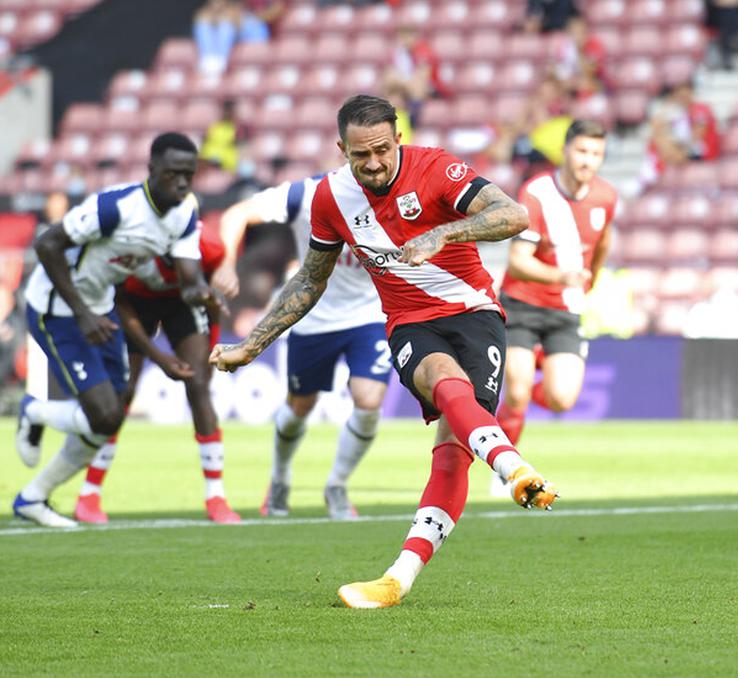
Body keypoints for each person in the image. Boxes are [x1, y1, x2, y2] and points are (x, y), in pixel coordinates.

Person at [209, 95, 558, 609]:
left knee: (452, 457)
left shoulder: (438, 167)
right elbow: (310, 280)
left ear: (398, 138)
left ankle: (399, 577)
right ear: (340, 150)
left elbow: (515, 214)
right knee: (439, 374)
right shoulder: (330, 199)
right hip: (408, 322)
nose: (373, 164)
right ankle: (510, 465)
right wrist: (251, 344)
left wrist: (445, 232)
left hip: (476, 313)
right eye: (359, 155)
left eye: (381, 151)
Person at [13, 132, 215, 528]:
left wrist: (206, 293)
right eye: (173, 173)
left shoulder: (184, 214)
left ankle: (33, 498)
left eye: (188, 175)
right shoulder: (114, 207)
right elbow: (48, 244)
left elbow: (188, 280)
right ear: (152, 169)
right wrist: (82, 314)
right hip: (58, 308)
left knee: (111, 416)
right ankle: (33, 410)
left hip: (102, 307)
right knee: (104, 415)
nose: (182, 183)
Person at [211, 169, 391, 521]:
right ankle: (279, 478)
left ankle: (337, 485)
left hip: (369, 316)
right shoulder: (305, 194)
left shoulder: (396, 196)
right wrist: (227, 263)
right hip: (312, 316)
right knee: (299, 408)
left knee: (369, 400)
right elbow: (237, 214)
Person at [73, 226, 240, 525]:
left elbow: (211, 299)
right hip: (133, 306)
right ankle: (89, 494)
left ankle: (216, 496)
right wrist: (159, 358)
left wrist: (211, 350)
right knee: (123, 392)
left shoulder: (209, 245)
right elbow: (120, 305)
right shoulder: (131, 242)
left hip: (183, 302)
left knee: (199, 385)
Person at [494, 120, 616, 492]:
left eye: (596, 154)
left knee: (562, 399)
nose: (588, 161)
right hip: (523, 304)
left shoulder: (605, 197)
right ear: (565, 150)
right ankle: (507, 469)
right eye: (582, 151)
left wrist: (590, 276)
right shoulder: (537, 193)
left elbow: (603, 241)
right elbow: (518, 260)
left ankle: (523, 391)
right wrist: (561, 276)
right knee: (515, 391)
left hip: (564, 311)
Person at [644, 81, 721, 183]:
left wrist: (677, 147)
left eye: (684, 94)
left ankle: (652, 173)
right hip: (690, 150)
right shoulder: (682, 113)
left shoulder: (700, 109)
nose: (682, 97)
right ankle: (654, 171)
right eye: (679, 95)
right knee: (659, 139)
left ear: (691, 93)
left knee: (663, 142)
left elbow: (697, 136)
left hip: (703, 153)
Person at [193, 0, 241, 75]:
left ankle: (220, 61)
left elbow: (238, 29)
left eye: (220, 7)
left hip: (227, 51)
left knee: (226, 27)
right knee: (202, 26)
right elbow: (200, 19)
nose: (217, 9)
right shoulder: (204, 17)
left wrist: (222, 19)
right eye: (214, 6)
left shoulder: (232, 16)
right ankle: (208, 59)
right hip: (209, 55)